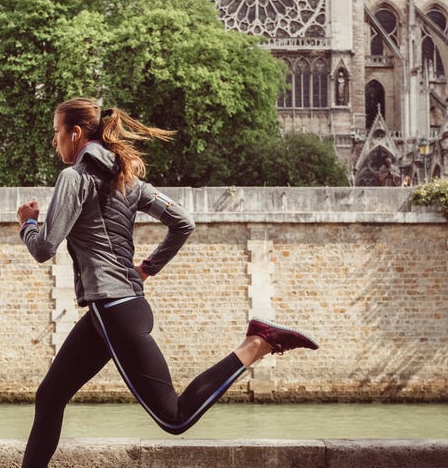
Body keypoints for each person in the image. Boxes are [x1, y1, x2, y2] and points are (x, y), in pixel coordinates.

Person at [16, 97, 318, 467]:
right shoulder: (129, 180)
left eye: (56, 133)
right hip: (115, 308)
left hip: (113, 310)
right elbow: (183, 222)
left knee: (175, 417)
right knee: (50, 396)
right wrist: (148, 267)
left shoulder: (74, 178)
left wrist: (28, 223)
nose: (54, 142)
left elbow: (44, 247)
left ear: (75, 133)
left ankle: (257, 343)